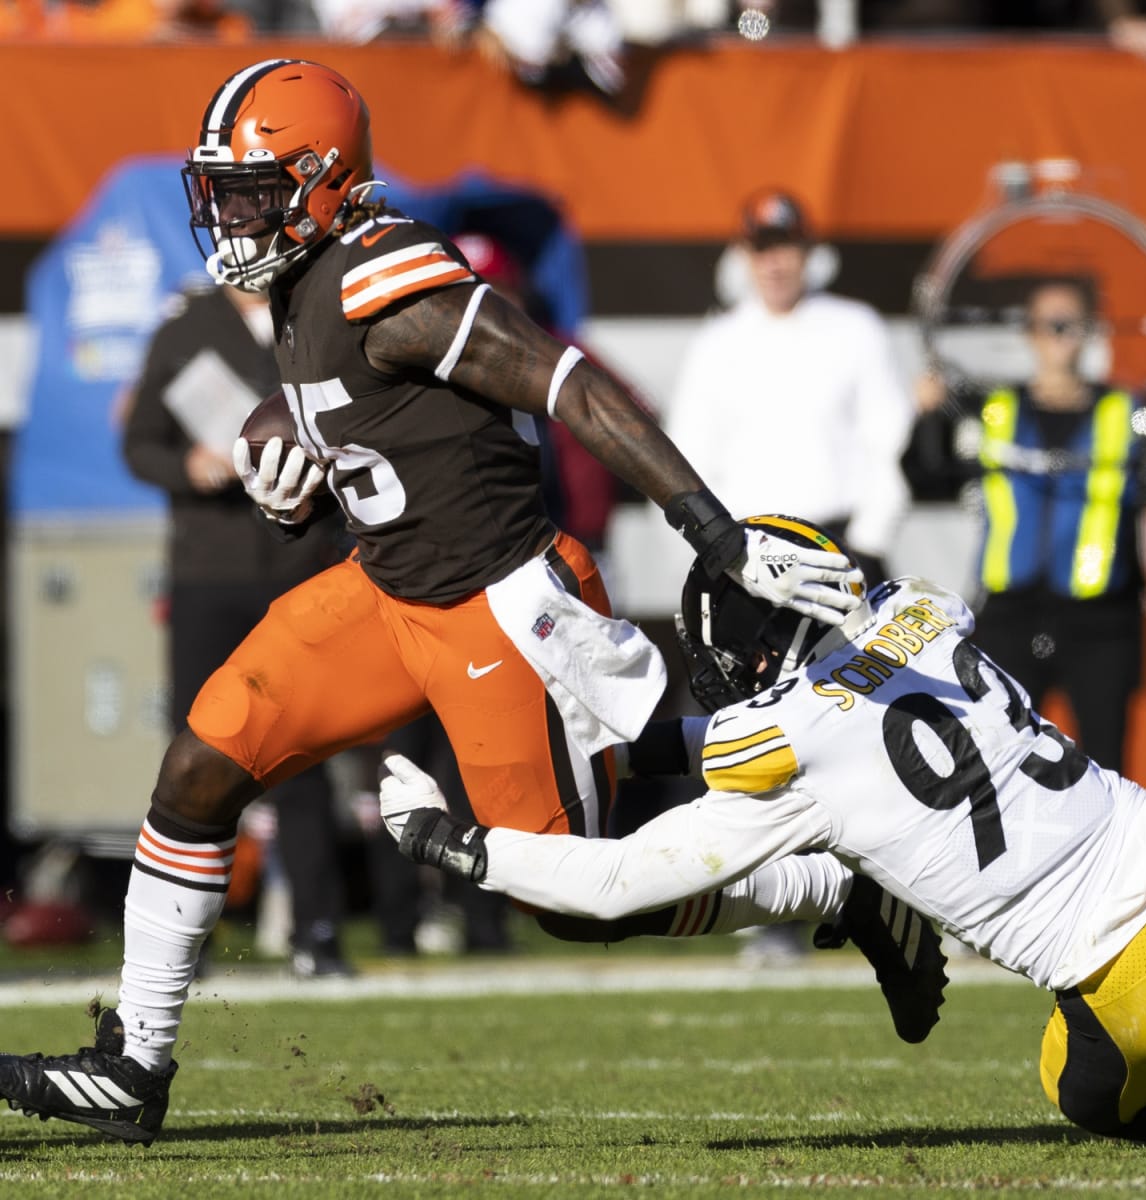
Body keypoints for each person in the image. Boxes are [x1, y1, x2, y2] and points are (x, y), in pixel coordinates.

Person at [0, 57, 864, 1146]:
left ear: (323, 183)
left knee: (574, 896)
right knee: (203, 758)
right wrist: (300, 438)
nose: (233, 214)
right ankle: (134, 1062)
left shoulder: (383, 275)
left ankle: (837, 890)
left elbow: (570, 384)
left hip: (501, 607)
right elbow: (375, 401)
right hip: (386, 588)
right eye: (227, 190)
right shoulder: (305, 281)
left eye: (258, 190)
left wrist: (715, 531)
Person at [383, 514, 1146, 1145]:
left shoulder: (788, 740)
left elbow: (612, 885)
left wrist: (449, 841)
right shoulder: (920, 614)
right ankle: (857, 889)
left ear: (760, 649)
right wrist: (623, 757)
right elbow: (850, 714)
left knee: (1075, 1084)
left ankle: (853, 891)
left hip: (1135, 981)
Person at [121, 283, 352, 978]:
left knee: (299, 756)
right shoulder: (188, 327)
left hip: (296, 565)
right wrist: (189, 467)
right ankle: (183, 943)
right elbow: (139, 444)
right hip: (208, 570)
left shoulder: (315, 314)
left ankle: (318, 932)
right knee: (197, 762)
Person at [903, 279, 1146, 774]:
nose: (1059, 334)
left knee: (1107, 768)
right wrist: (928, 416)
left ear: (1089, 331)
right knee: (1003, 766)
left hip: (1101, 621)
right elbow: (927, 476)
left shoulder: (1128, 414)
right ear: (1030, 333)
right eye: (1049, 323)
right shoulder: (994, 411)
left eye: (1070, 322)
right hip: (1010, 617)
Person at [665, 187, 914, 587]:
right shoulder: (715, 343)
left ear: (808, 251)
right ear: (743, 256)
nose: (774, 263)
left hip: (842, 551)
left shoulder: (856, 328)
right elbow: (688, 455)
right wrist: (713, 556)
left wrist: (869, 544)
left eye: (785, 247)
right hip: (746, 558)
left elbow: (892, 441)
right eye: (761, 249)